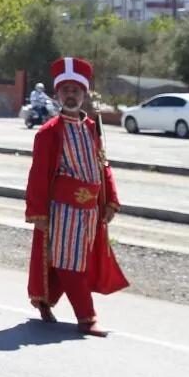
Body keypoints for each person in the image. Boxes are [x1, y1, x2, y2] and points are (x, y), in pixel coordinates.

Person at [26, 58, 129, 337]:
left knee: (73, 261)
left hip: (91, 211)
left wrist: (110, 200)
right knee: (71, 264)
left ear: (84, 94)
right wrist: (38, 214)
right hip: (63, 210)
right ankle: (86, 318)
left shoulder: (92, 127)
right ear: (58, 94)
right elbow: (38, 175)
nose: (71, 94)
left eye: (76, 89)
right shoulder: (48, 133)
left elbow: (102, 164)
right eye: (65, 89)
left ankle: (45, 299)